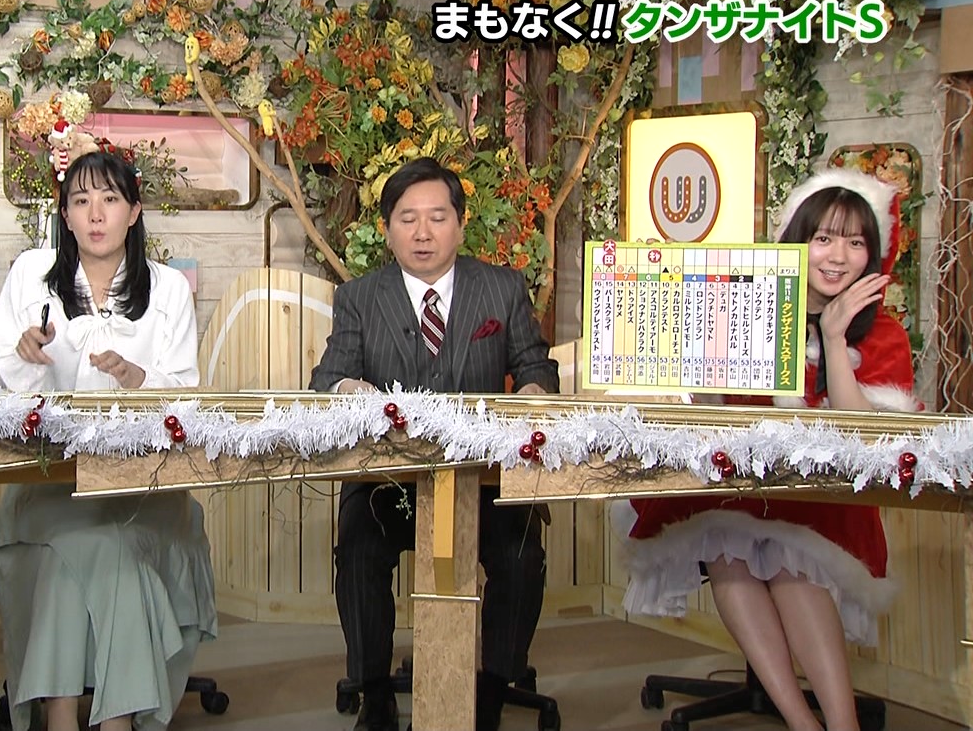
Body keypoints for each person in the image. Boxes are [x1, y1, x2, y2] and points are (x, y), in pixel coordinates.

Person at [623, 169, 915, 731]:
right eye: (823, 238)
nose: (838, 256)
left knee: (786, 553)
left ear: (872, 254)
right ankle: (802, 724)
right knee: (727, 544)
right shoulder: (749, 309)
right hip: (741, 485)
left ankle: (843, 725)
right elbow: (713, 404)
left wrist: (834, 338)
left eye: (855, 243)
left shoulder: (883, 334)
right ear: (797, 242)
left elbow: (863, 439)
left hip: (827, 497)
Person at [308, 156, 560, 731]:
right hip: (389, 483)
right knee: (359, 549)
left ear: (460, 225)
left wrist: (532, 390)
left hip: (484, 480)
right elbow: (326, 379)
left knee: (521, 553)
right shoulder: (360, 297)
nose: (422, 232)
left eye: (437, 218)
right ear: (387, 229)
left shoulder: (500, 288)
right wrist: (351, 389)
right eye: (407, 219)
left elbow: (536, 366)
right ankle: (375, 694)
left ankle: (491, 688)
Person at [0, 150, 216, 731]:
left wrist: (138, 378)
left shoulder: (167, 289)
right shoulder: (31, 275)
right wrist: (25, 354)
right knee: (94, 547)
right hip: (51, 486)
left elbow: (185, 396)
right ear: (64, 214)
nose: (95, 215)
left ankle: (78, 719)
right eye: (81, 201)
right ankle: (91, 721)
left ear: (133, 212)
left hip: (142, 488)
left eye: (110, 200)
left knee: (100, 546)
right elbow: (3, 383)